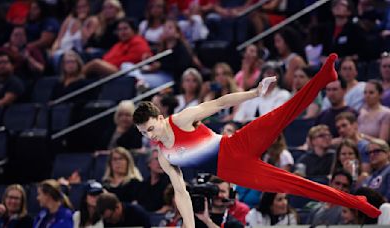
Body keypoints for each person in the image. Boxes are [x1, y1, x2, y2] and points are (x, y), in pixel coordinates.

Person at [133, 54, 381, 227]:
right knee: (297, 184)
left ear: (161, 117)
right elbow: (181, 192)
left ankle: (323, 77)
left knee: (282, 113)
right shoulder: (165, 156)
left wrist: (254, 93)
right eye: (144, 133)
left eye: (151, 128)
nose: (150, 136)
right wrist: (189, 225)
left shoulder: (183, 118)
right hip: (236, 172)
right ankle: (357, 203)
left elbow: (219, 102)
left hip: (236, 143)